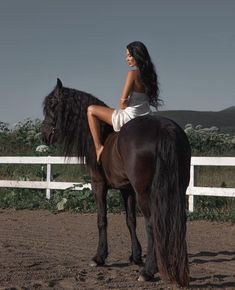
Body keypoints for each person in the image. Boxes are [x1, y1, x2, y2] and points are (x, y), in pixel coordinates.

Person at [87, 41, 160, 163]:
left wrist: (123, 106)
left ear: (137, 56)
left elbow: (122, 102)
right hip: (147, 116)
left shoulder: (132, 74)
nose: (127, 59)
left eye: (130, 55)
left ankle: (98, 148)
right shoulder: (151, 75)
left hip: (130, 117)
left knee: (91, 110)